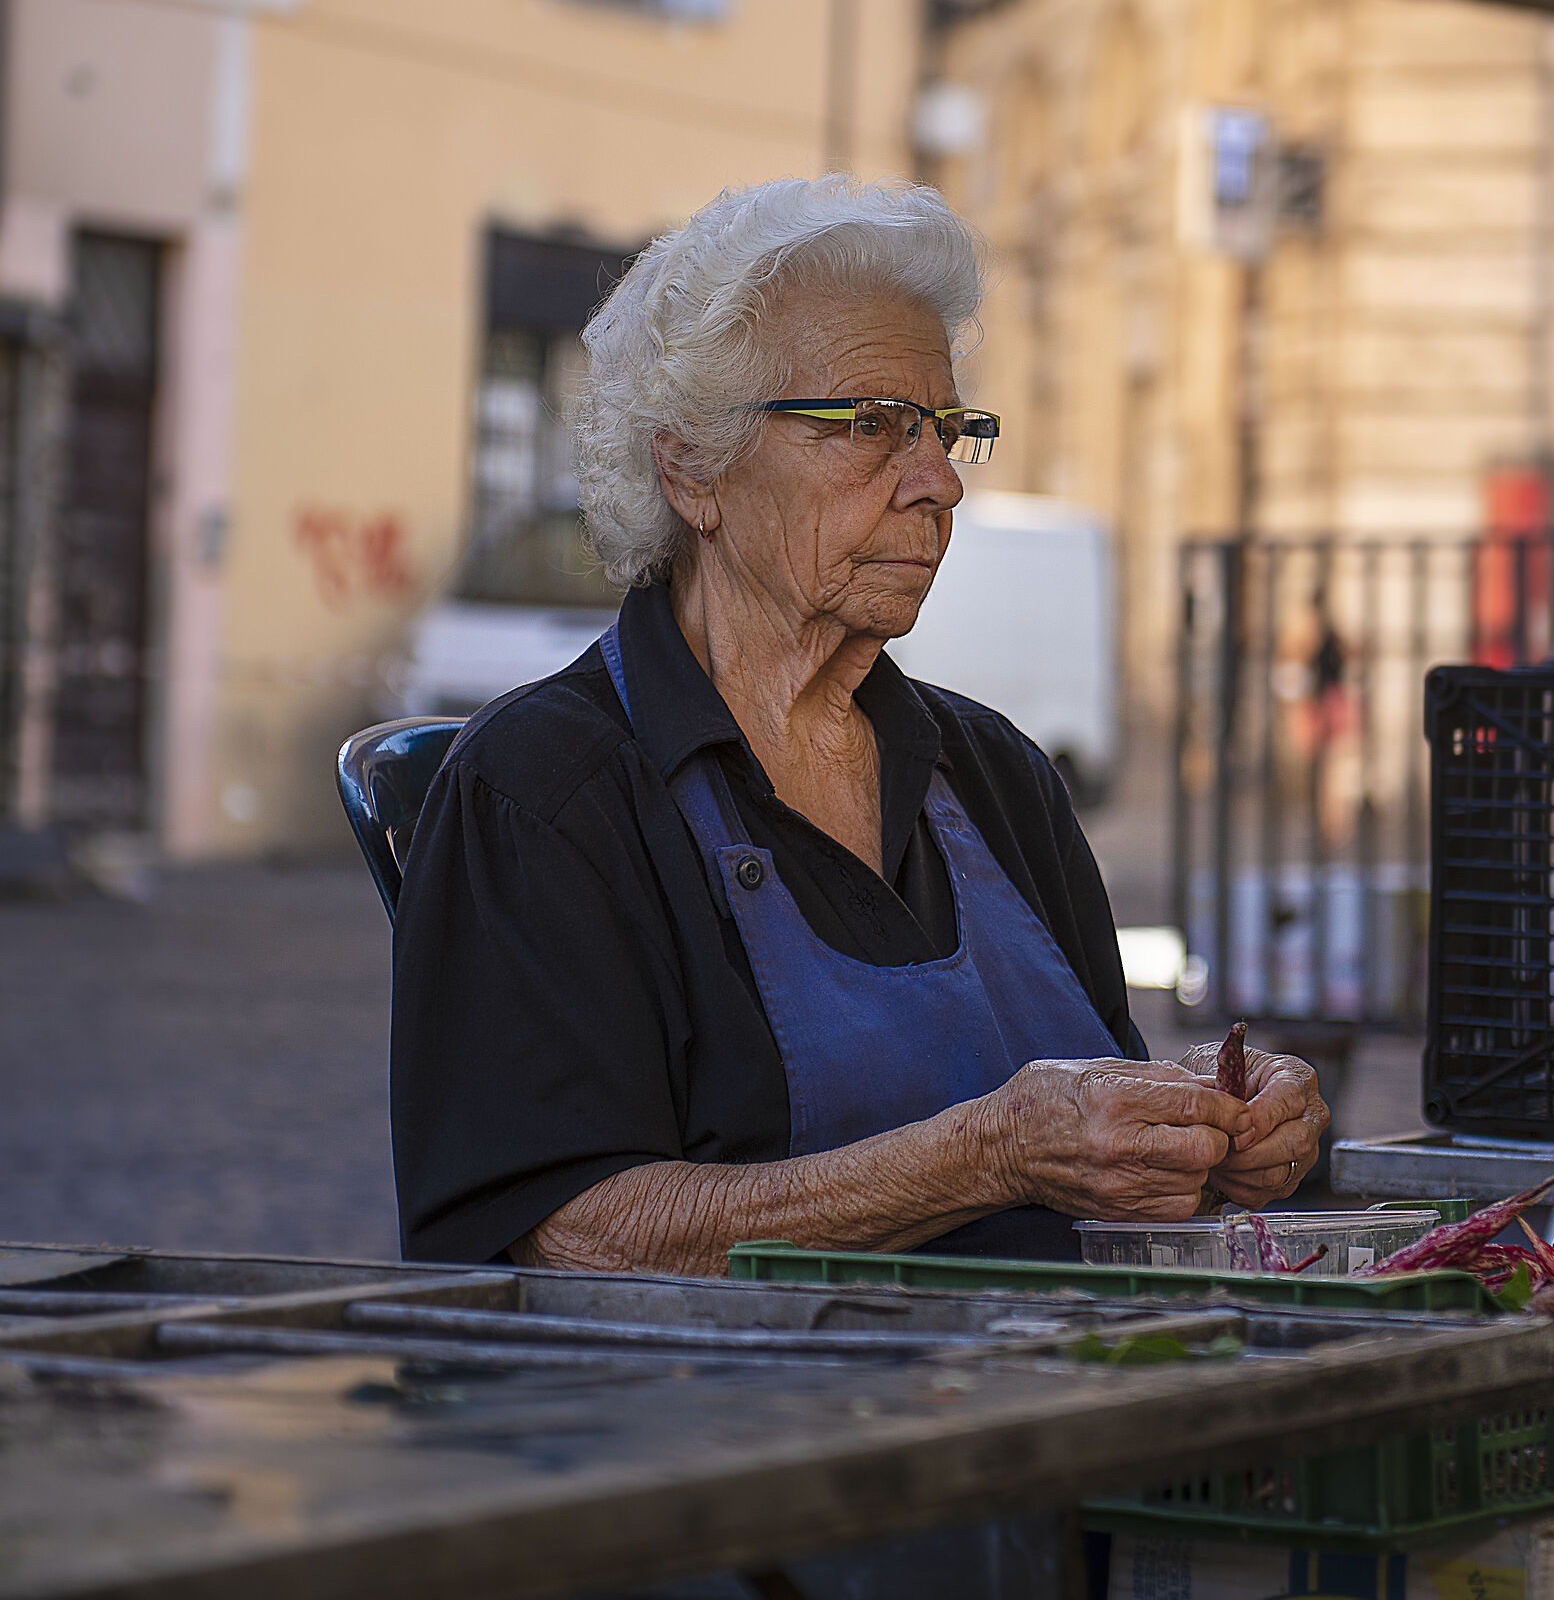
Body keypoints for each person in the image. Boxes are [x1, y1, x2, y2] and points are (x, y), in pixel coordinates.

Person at [390, 176, 1327, 1272]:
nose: (938, 482)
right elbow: (563, 1233)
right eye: (869, 424)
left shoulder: (998, 778)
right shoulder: (544, 793)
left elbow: (1101, 1141)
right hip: (731, 1427)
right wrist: (985, 1153)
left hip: (1047, 1410)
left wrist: (1217, 1128)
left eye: (946, 428)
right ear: (691, 467)